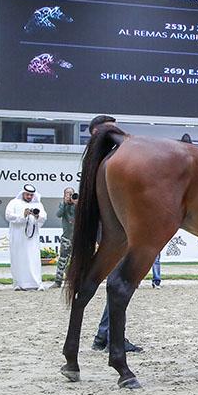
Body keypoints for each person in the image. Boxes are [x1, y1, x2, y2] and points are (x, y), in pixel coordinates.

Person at [86, 115, 142, 353]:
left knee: (117, 280)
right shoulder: (107, 160)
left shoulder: (103, 159)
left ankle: (103, 334)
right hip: (113, 229)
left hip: (108, 227)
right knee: (120, 281)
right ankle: (108, 336)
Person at [5, 184, 47, 291]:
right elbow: (8, 216)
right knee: (18, 258)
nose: (29, 196)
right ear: (23, 193)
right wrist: (23, 216)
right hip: (18, 236)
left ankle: (36, 283)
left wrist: (36, 216)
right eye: (27, 194)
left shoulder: (38, 204)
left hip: (32, 238)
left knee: (33, 258)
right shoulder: (14, 203)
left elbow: (43, 217)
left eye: (31, 195)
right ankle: (19, 283)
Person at [48, 187, 77, 289]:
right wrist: (65, 203)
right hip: (66, 237)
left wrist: (76, 203)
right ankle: (58, 281)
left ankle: (77, 281)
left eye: (71, 194)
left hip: (77, 238)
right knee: (62, 260)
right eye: (67, 194)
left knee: (78, 260)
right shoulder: (62, 205)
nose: (69, 196)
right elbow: (58, 214)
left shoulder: (78, 205)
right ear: (64, 195)